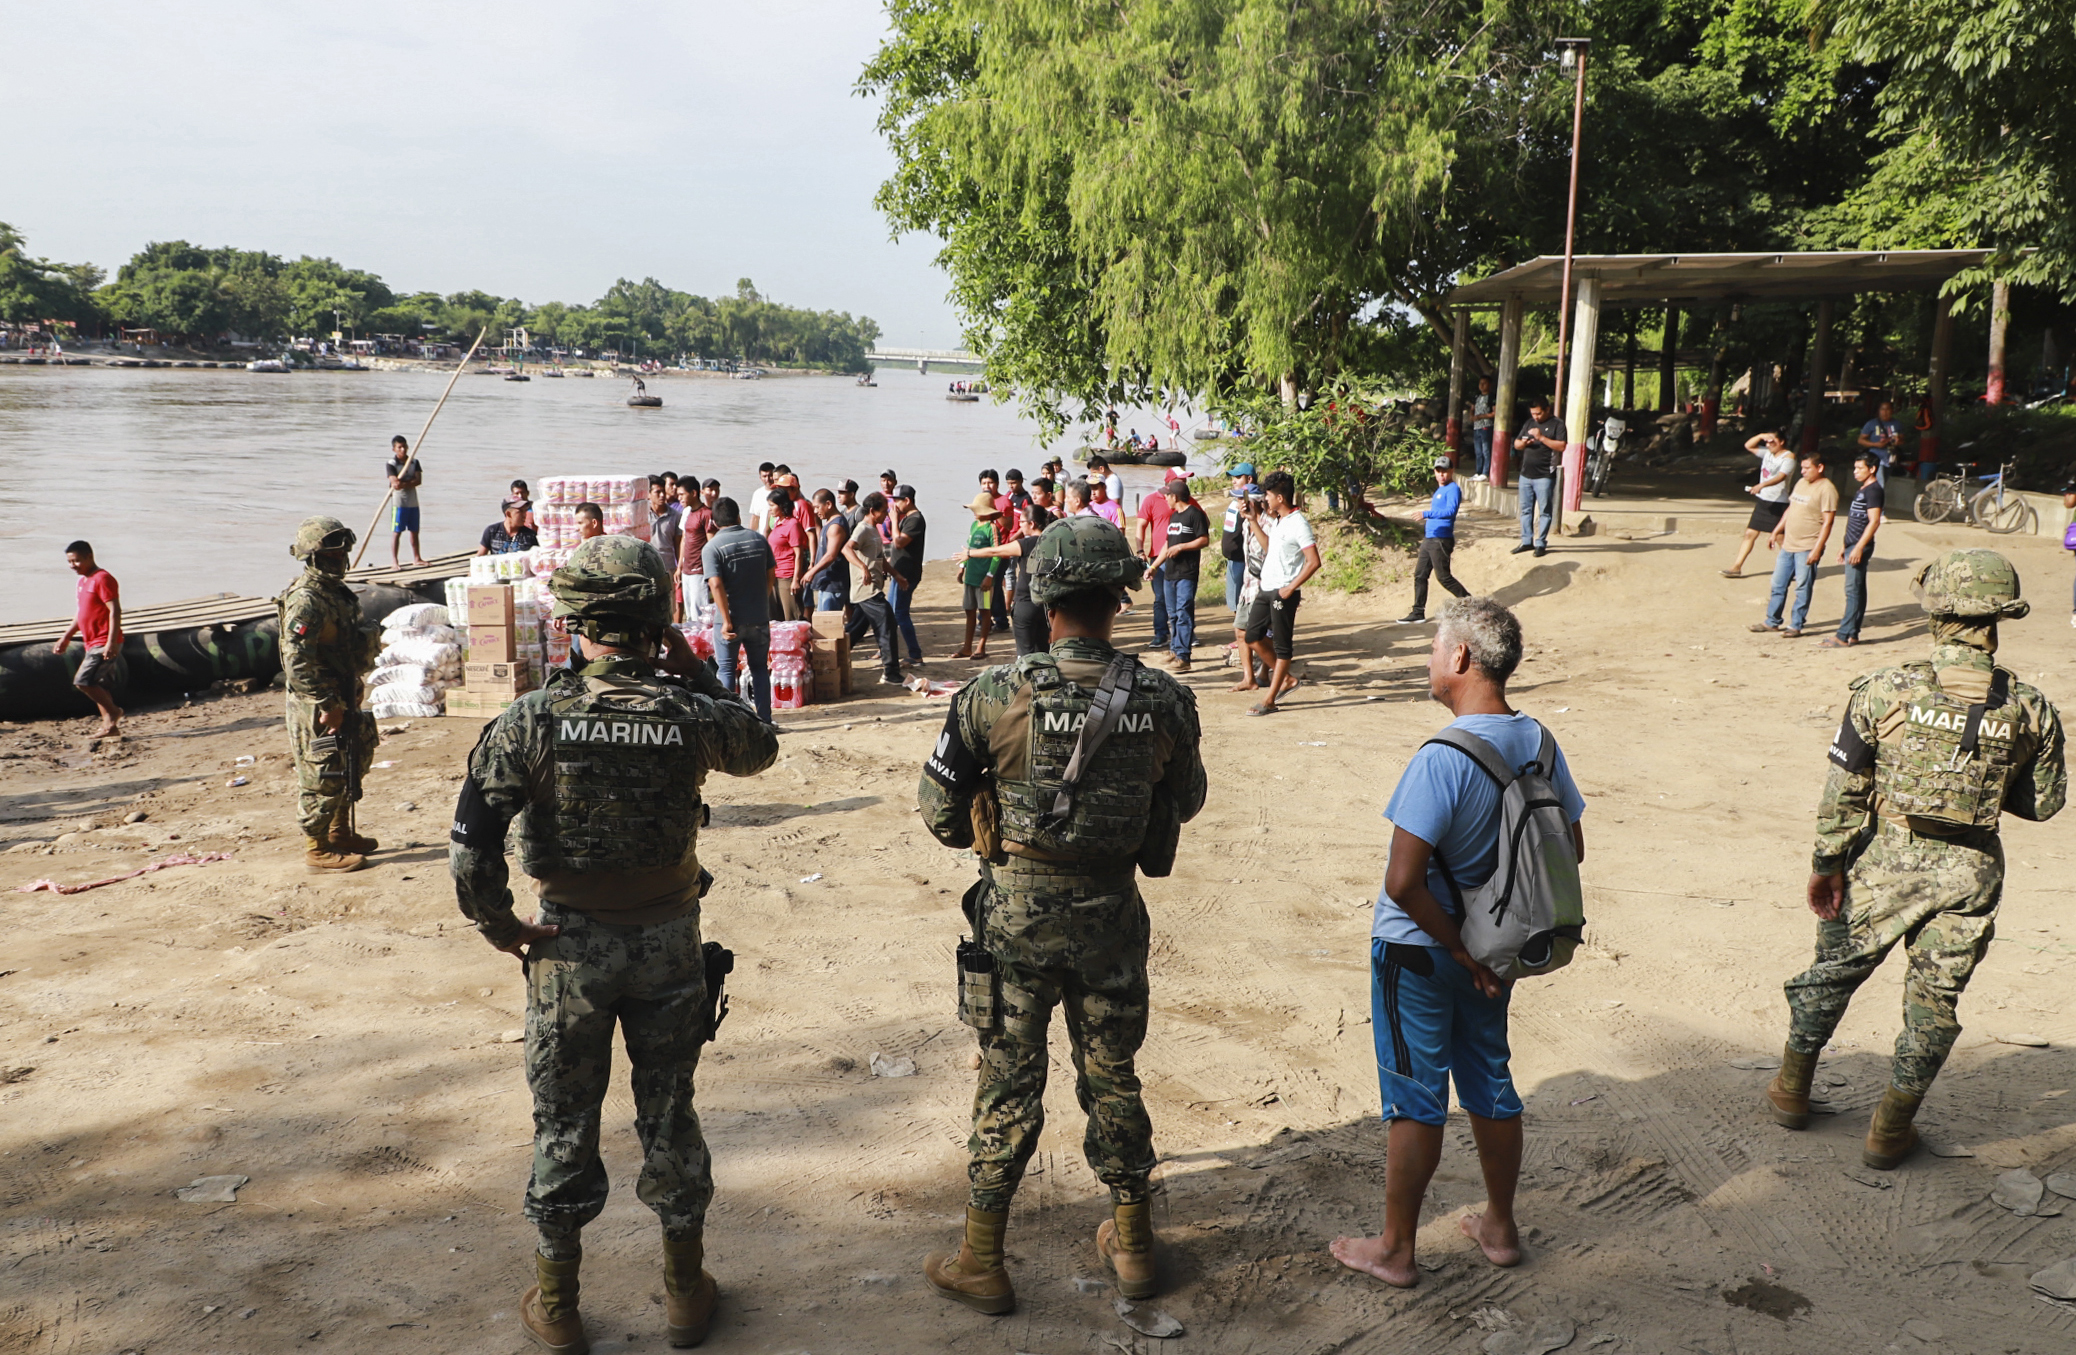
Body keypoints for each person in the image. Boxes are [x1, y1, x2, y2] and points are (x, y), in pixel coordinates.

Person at [448, 534, 779, 1354]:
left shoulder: (529, 720)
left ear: (574, 624)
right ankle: (683, 1293)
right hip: (668, 943)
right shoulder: (689, 712)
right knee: (670, 1113)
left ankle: (558, 1306)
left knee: (564, 1120)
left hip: (567, 949)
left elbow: (470, 851)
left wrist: (506, 929)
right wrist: (694, 666)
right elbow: (760, 743)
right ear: (656, 621)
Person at [917, 515, 1207, 1316]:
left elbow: (939, 813)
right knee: (1112, 1073)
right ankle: (1137, 1246)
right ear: (1120, 597)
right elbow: (1185, 799)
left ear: (1044, 601)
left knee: (1009, 1078)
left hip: (1015, 918)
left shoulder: (992, 694)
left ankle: (982, 1257)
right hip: (1113, 913)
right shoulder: (1164, 698)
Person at [1765, 549, 2064, 1170]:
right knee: (1935, 1001)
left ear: (1936, 613)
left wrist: (1827, 863)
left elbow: (1843, 791)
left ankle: (1792, 1089)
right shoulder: (2031, 707)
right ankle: (1888, 1129)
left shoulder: (1882, 690)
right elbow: (2043, 805)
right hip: (1973, 871)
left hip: (1883, 861)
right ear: (2001, 617)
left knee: (1836, 968)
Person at [1331, 596, 1585, 1287]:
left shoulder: (1440, 758)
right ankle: (1499, 1227)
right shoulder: (1539, 742)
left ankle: (1395, 1248)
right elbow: (1573, 845)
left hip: (1422, 952)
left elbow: (1403, 882)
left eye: (1434, 648)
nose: (1430, 659)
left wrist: (1459, 947)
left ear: (1462, 657)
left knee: (1417, 1096)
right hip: (1500, 948)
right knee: (1489, 1081)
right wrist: (1484, 941)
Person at [277, 517, 381, 873]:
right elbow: (296, 661)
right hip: (316, 704)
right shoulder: (306, 600)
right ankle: (316, 847)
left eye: (341, 552)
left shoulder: (334, 593)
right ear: (312, 556)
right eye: (330, 553)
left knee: (352, 758)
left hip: (341, 694)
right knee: (322, 773)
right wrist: (326, 704)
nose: (338, 559)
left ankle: (339, 831)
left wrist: (350, 687)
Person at [1240, 471, 1320, 716]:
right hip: (1267, 588)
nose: (1265, 499)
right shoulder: (1279, 520)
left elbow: (1313, 561)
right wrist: (1253, 520)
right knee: (1252, 636)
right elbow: (1269, 548)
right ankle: (1285, 679)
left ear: (1280, 498)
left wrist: (1291, 586)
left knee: (1282, 646)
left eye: (1268, 495)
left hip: (1283, 592)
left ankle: (1270, 699)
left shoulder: (1298, 524)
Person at [702, 498, 778, 723]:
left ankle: (730, 721)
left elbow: (715, 584)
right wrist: (760, 600)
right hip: (758, 617)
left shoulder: (712, 547)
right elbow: (771, 572)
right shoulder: (758, 539)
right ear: (738, 517)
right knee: (759, 669)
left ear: (714, 523)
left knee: (726, 670)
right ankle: (764, 719)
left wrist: (725, 620)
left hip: (730, 620)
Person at [1751, 453, 1838, 638]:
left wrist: (1817, 548)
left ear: (1820, 467)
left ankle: (1796, 624)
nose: (1803, 471)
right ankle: (1772, 621)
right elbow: (1791, 509)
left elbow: (1828, 522)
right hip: (1789, 544)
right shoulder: (1800, 483)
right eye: (1802, 468)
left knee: (1802, 587)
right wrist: (1776, 531)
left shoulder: (1827, 490)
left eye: (1807, 468)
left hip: (1807, 545)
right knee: (1778, 583)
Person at [962, 501, 1056, 657]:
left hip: (1026, 603)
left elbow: (995, 551)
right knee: (1044, 652)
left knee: (1025, 655)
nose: (1020, 525)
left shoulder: (1026, 544)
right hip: (1046, 605)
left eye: (1022, 522)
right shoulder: (1053, 542)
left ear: (1031, 524)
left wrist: (970, 553)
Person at [55, 541, 123, 738]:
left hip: (104, 641)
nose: (72, 566)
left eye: (76, 561)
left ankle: (114, 712)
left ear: (89, 557)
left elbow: (115, 610)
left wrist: (111, 642)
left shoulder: (103, 579)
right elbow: (81, 613)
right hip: (91, 641)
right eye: (69, 562)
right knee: (99, 685)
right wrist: (66, 637)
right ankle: (110, 727)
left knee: (83, 681)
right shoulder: (83, 581)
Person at [841, 491, 904, 685]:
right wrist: (862, 567)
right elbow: (846, 548)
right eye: (884, 511)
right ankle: (891, 672)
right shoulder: (862, 529)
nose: (886, 514)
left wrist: (896, 575)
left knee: (854, 631)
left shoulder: (874, 529)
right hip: (866, 589)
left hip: (873, 586)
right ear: (872, 511)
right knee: (887, 623)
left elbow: (879, 559)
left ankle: (833, 659)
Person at [1399, 457, 1471, 624]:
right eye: (1438, 471)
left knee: (1444, 577)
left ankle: (1471, 604)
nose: (1442, 475)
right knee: (1420, 575)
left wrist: (1426, 514)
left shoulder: (1453, 489)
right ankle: (1418, 612)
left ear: (1451, 471)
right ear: (1434, 473)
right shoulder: (1439, 491)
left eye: (1445, 471)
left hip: (1441, 539)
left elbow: (1450, 511)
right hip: (1429, 538)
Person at [1826, 451, 1886, 648]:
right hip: (1852, 544)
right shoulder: (1863, 489)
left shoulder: (1874, 491)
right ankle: (1853, 633)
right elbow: (1855, 520)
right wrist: (1845, 545)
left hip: (1860, 545)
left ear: (1872, 469)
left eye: (1860, 468)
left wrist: (1859, 547)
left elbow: (1874, 521)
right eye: (1855, 468)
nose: (1855, 472)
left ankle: (1843, 635)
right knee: (1857, 589)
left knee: (1852, 591)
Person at [1150, 476, 1210, 672]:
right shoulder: (1173, 517)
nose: (1165, 499)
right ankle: (1175, 649)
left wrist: (1183, 547)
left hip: (1186, 572)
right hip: (1170, 573)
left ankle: (1184, 657)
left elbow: (1203, 540)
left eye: (1167, 495)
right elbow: (1168, 544)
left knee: (1184, 613)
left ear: (1175, 496)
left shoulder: (1194, 514)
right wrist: (1154, 566)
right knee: (1173, 615)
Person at [1722, 431, 1799, 578]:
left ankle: (1794, 568)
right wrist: (1762, 435)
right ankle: (1736, 566)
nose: (1769, 444)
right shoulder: (1767, 453)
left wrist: (1762, 485)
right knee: (1750, 533)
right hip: (1763, 500)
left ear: (1782, 441)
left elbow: (1781, 477)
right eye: (1767, 442)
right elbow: (1748, 445)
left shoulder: (1788, 457)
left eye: (1772, 442)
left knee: (1779, 538)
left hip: (1777, 501)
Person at [1224, 488, 1272, 692]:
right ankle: (1249, 677)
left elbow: (1269, 548)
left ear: (1251, 503)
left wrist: (1253, 520)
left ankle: (1274, 672)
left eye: (1240, 501)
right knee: (1240, 630)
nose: (1237, 505)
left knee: (1260, 634)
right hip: (1248, 585)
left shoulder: (1269, 524)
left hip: (1264, 586)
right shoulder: (1244, 524)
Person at [953, 492, 1002, 660]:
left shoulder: (992, 528)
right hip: (971, 576)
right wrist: (962, 567)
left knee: (985, 611)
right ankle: (967, 646)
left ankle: (981, 646)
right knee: (969, 610)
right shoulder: (974, 525)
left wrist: (990, 576)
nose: (974, 512)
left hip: (984, 578)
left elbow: (996, 554)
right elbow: (969, 548)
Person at [1511, 396, 1563, 557]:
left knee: (1545, 511)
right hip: (1526, 474)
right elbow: (1516, 444)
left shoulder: (1557, 425)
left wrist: (1541, 438)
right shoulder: (1529, 423)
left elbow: (1561, 446)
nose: (1536, 417)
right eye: (1533, 413)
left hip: (1545, 475)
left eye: (1539, 414)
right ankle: (1527, 541)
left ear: (1547, 409)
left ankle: (1541, 543)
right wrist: (1523, 444)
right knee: (1526, 510)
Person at [1134, 472, 1176, 653]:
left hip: (1180, 555)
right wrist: (1140, 550)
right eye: (1180, 481)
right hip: (1157, 556)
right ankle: (1161, 633)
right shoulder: (1151, 500)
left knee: (1179, 597)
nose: (1184, 483)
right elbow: (1141, 525)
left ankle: (1184, 633)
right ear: (1168, 482)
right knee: (1160, 597)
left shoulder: (1187, 500)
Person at [887, 485, 927, 666]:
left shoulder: (915, 519)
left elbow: (899, 542)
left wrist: (894, 520)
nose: (894, 505)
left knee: (900, 613)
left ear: (907, 501)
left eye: (897, 500)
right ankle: (887, 649)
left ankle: (915, 654)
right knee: (891, 613)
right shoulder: (908, 518)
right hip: (899, 573)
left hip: (906, 574)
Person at [803, 488, 851, 613]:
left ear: (828, 504)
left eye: (817, 507)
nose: (815, 511)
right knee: (823, 622)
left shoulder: (836, 526)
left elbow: (831, 555)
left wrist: (812, 571)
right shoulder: (829, 522)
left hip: (834, 584)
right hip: (827, 583)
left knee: (828, 626)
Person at [1219, 462, 1257, 616]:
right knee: (1234, 600)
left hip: (1242, 559)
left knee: (1243, 601)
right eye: (1232, 477)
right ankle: (1240, 633)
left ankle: (1245, 636)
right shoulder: (1236, 500)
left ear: (1249, 479)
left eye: (1238, 477)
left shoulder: (1251, 502)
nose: (1233, 481)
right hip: (1232, 558)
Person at [765, 489, 808, 622]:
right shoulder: (778, 522)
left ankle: (800, 642)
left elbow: (799, 554)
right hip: (775, 575)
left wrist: (795, 579)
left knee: (792, 617)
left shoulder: (792, 524)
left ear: (782, 505)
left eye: (772, 505)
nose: (770, 509)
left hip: (787, 576)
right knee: (776, 617)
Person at [386, 435, 425, 567]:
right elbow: (394, 482)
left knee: (414, 530)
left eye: (404, 447)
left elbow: (418, 480)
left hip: (413, 501)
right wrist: (403, 483)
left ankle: (417, 558)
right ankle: (394, 561)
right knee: (397, 532)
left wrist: (404, 483)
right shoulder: (391, 464)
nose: (402, 450)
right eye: (399, 447)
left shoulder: (414, 462)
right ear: (394, 449)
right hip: (399, 502)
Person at [647, 478, 683, 618]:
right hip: (646, 568)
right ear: (648, 494)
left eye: (663, 491)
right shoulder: (641, 514)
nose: (662, 495)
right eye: (658, 492)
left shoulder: (675, 516)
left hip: (667, 568)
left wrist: (679, 568)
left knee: (669, 607)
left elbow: (679, 544)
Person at [1858, 399, 1904, 486]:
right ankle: (1877, 499)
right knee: (1880, 482)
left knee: (1883, 481)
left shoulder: (1897, 424)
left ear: (1892, 411)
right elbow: (1860, 440)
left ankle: (1870, 498)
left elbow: (1902, 440)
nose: (1885, 412)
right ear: (1879, 411)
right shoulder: (1871, 423)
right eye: (1882, 409)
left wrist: (1897, 441)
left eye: (1888, 409)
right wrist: (1875, 444)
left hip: (1890, 458)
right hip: (1876, 457)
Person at [1470, 376, 1495, 479]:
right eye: (1480, 383)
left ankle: (1485, 472)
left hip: (1486, 425)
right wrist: (1471, 416)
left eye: (1484, 383)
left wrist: (1480, 416)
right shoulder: (1477, 397)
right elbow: (1472, 408)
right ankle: (1478, 471)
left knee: (1486, 450)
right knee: (1478, 451)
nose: (1482, 385)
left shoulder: (1492, 397)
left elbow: (1494, 413)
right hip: (1477, 426)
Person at [747, 463, 777, 534]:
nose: (768, 479)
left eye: (770, 475)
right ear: (760, 478)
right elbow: (755, 517)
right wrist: (750, 535)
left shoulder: (782, 492)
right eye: (764, 476)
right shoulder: (757, 494)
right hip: (763, 537)